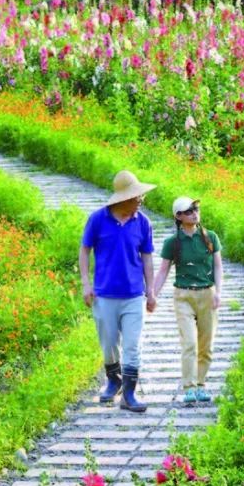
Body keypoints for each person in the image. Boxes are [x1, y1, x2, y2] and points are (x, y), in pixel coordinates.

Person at [79, 170, 158, 413]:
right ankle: (113, 380)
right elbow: (84, 251)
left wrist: (151, 291)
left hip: (134, 295)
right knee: (109, 343)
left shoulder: (143, 223)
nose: (140, 202)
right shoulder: (97, 219)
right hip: (104, 295)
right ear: (124, 199)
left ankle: (130, 394)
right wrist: (85, 284)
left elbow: (147, 259)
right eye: (137, 198)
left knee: (133, 345)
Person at [152, 196, 222, 406]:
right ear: (179, 216)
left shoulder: (210, 237)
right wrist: (152, 295)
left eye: (196, 208)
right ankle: (189, 387)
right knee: (189, 343)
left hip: (207, 294)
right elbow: (163, 270)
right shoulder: (172, 243)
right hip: (183, 295)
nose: (194, 213)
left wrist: (219, 291)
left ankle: (201, 385)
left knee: (206, 345)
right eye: (189, 210)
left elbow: (218, 266)